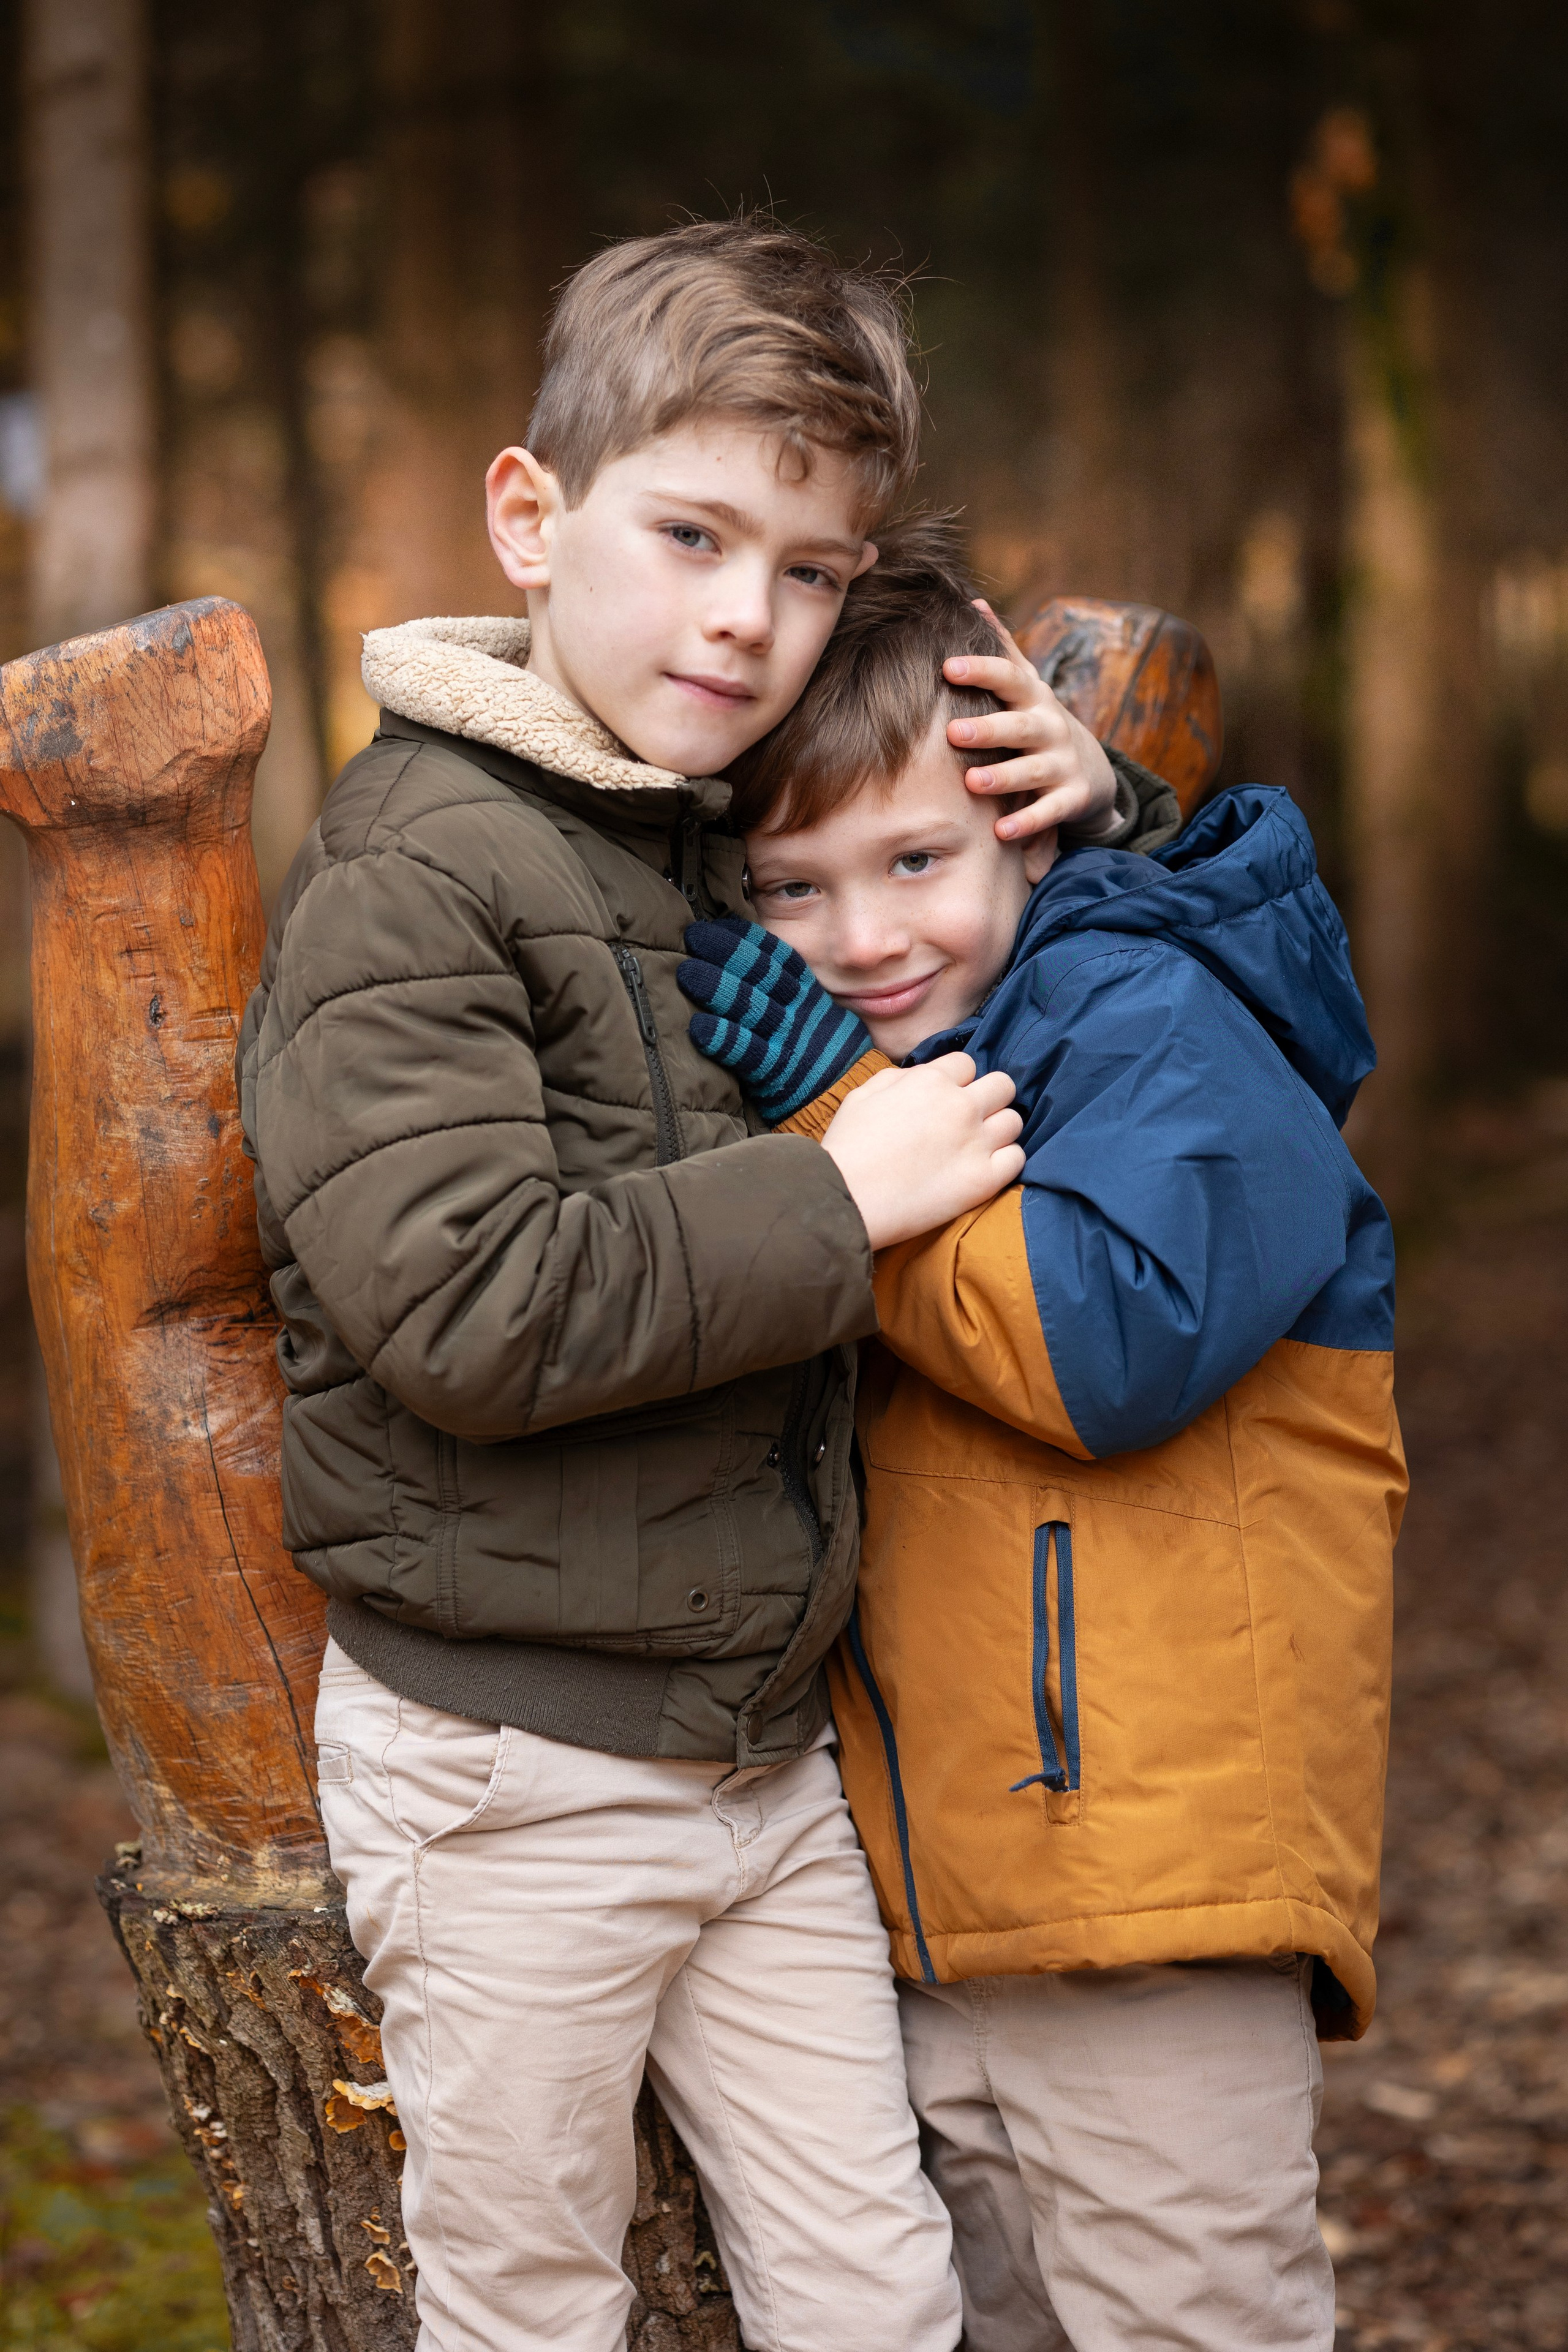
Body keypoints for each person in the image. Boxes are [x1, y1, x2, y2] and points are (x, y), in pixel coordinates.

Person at [237, 218, 1135, 2352]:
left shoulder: (708, 836)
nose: (750, 615)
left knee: (871, 2290)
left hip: (759, 1755)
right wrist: (846, 1204)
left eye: (811, 568)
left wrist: (1110, 810)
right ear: (532, 520)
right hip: (505, 1760)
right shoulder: (419, 874)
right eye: (694, 533)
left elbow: (955, 902)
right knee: (532, 2299)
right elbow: (468, 1302)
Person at [679, 518, 1407, 2352]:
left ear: (1031, 819)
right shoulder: (947, 1049)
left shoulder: (1163, 1016)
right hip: (938, 1915)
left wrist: (840, 1124)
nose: (863, 937)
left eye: (914, 858)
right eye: (791, 889)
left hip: (1151, 1901)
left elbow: (1105, 1345)